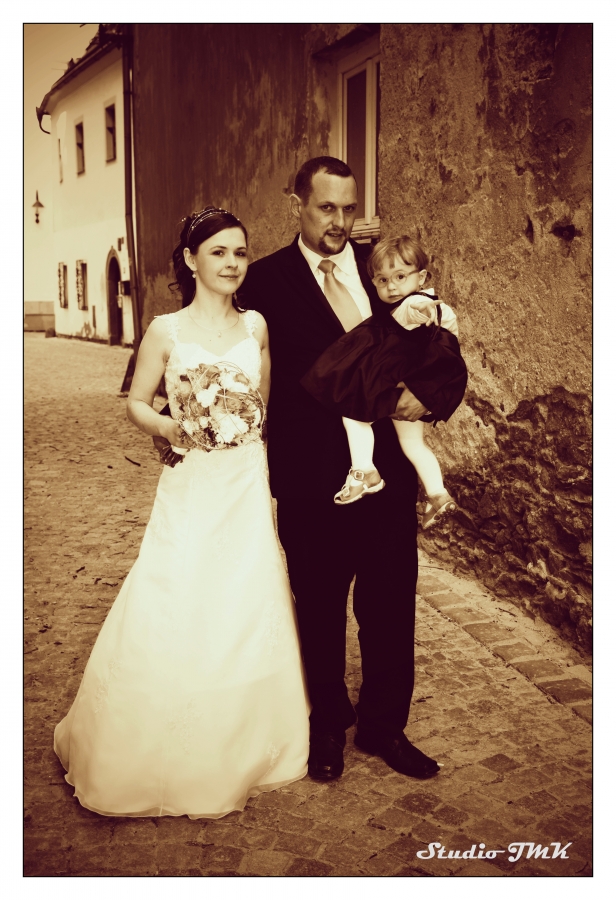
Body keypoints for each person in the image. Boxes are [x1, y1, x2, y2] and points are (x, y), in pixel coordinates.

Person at [54, 207, 310, 819]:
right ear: (192, 259)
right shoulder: (165, 331)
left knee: (246, 589)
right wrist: (170, 426)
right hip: (193, 482)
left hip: (243, 479)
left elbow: (262, 405)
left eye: (240, 252)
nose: (232, 263)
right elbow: (137, 402)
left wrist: (240, 431)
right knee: (179, 587)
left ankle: (247, 734)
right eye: (218, 252)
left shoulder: (257, 325)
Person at [238, 157, 443, 782]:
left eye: (349, 208)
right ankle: (326, 723)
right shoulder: (264, 281)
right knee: (319, 606)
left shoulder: (384, 270)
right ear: (297, 204)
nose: (340, 221)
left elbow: (437, 344)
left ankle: (385, 727)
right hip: (311, 475)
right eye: (327, 207)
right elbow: (233, 355)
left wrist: (433, 397)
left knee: (390, 604)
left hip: (386, 471)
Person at [300, 235, 467, 529]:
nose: (391, 287)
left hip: (394, 383)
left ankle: (364, 471)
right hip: (417, 387)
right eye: (382, 280)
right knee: (413, 444)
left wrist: (423, 308)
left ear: (421, 277)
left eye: (400, 277)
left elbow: (413, 308)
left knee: (352, 411)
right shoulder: (442, 310)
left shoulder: (413, 303)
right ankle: (438, 495)